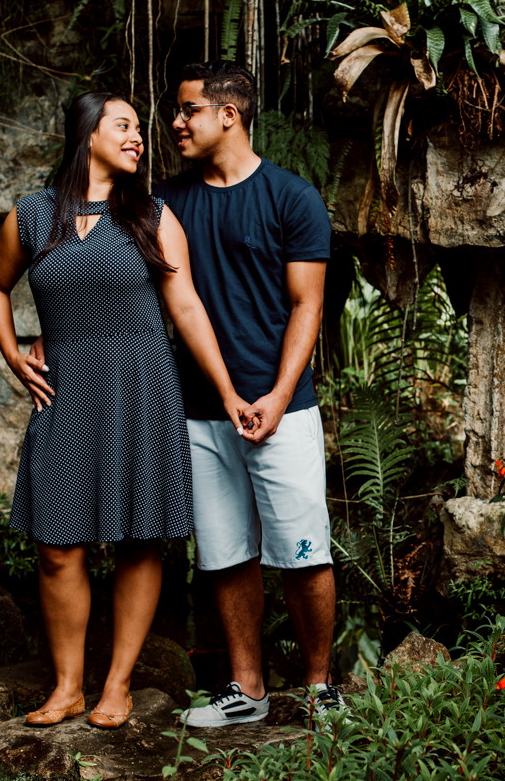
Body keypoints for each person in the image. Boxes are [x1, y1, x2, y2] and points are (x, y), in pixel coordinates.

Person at [0, 91, 249, 729]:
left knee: (137, 544)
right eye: (123, 126)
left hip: (142, 393)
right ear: (86, 135)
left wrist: (230, 390)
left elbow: (185, 309)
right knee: (57, 549)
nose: (138, 137)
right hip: (65, 395)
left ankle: (118, 685)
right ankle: (67, 686)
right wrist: (14, 354)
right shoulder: (32, 215)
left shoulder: (152, 216)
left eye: (138, 128)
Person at [151, 61, 338, 728]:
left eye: (188, 109)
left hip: (284, 409)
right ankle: (247, 689)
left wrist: (278, 395)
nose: (176, 122)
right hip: (205, 410)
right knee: (227, 554)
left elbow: (305, 306)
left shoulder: (293, 197)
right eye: (176, 110)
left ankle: (319, 686)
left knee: (303, 551)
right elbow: (175, 303)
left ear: (229, 114)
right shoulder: (168, 204)